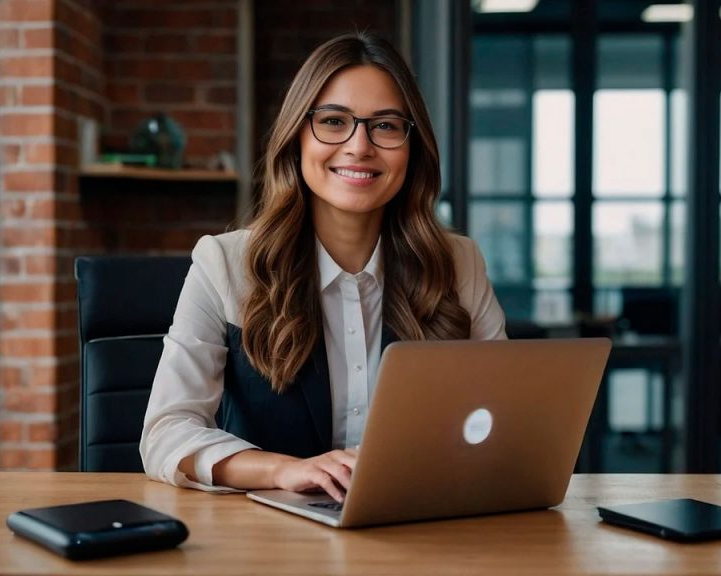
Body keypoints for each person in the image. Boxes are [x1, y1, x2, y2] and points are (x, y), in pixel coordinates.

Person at [140, 31, 506, 502]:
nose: (359, 146)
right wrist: (282, 470)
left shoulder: (459, 264)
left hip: (418, 529)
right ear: (297, 137)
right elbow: (166, 432)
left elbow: (502, 416)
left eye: (387, 126)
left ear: (413, 148)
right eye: (333, 121)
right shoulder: (224, 263)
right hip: (265, 542)